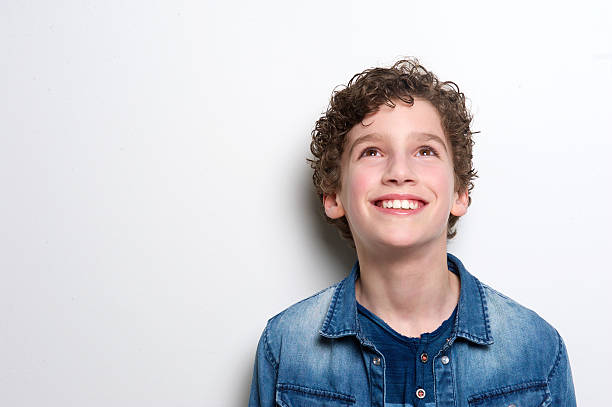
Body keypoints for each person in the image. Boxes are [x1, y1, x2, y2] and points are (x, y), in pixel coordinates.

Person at [248, 58, 576, 407]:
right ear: (333, 195)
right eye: (371, 151)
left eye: (425, 151)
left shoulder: (535, 348)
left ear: (460, 193)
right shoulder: (285, 346)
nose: (399, 171)